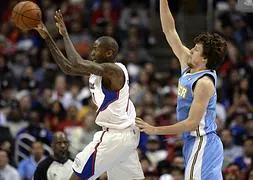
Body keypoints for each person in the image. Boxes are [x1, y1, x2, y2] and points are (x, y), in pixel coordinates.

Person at [33, 10, 144, 180]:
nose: (92, 52)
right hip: (125, 138)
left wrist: (64, 34)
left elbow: (77, 62)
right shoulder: (97, 72)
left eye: (96, 49)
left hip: (114, 137)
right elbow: (68, 67)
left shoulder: (115, 71)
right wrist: (48, 37)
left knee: (77, 177)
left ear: (108, 53)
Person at [135, 0, 227, 179]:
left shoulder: (204, 83)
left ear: (204, 59)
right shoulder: (188, 62)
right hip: (193, 142)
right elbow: (169, 31)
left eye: (196, 49)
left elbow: (191, 123)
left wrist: (154, 129)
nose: (191, 50)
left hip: (203, 142)